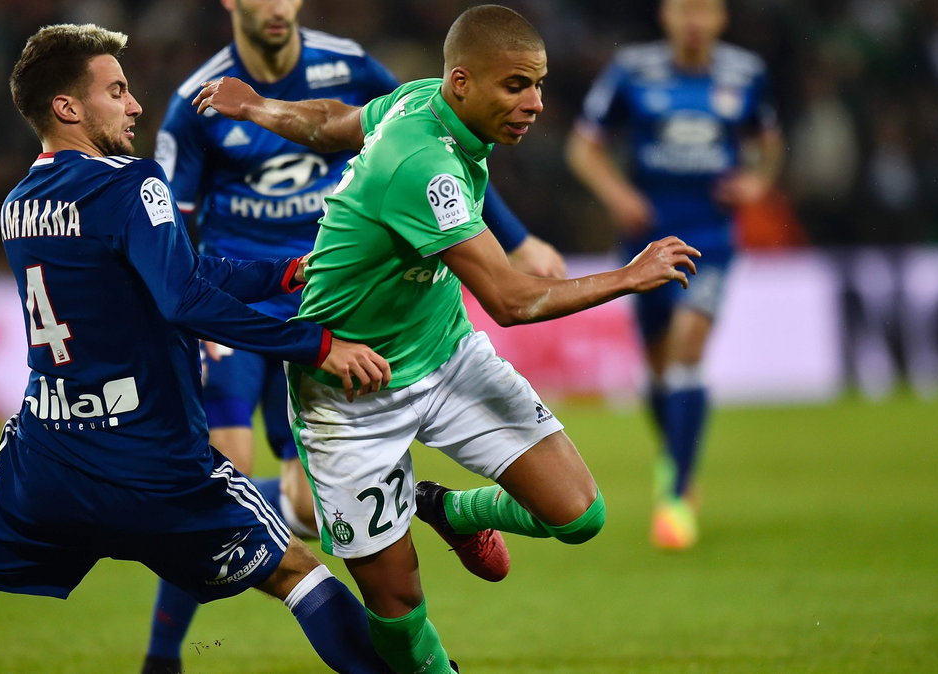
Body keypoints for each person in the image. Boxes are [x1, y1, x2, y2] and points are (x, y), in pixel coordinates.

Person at [192, 5, 699, 672]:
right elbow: (511, 299)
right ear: (462, 81)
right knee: (398, 610)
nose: (536, 103)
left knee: (579, 514)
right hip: (349, 388)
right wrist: (629, 277)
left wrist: (259, 109)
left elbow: (334, 123)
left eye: (539, 84)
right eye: (516, 85)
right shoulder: (422, 165)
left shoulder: (418, 101)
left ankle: (446, 509)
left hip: (446, 354)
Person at [0, 24, 394, 673]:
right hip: (152, 466)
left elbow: (175, 272)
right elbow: (181, 297)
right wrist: (316, 344)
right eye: (117, 91)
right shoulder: (130, 183)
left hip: (44, 467)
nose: (133, 106)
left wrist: (282, 272)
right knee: (296, 572)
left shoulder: (19, 204)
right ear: (68, 107)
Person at [144, 1, 565, 670]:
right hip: (243, 300)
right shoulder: (195, 100)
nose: (277, 6)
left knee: (304, 506)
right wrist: (195, 316)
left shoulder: (345, 65)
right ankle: (162, 656)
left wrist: (517, 241)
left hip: (334, 296)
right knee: (221, 460)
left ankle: (365, 518)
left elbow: (445, 145)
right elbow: (171, 224)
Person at [565, 0, 783, 549]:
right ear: (664, 16)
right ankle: (677, 458)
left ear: (720, 19)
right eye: (684, 9)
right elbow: (583, 146)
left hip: (710, 239)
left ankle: (677, 496)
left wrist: (757, 184)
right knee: (659, 370)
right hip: (645, 243)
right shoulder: (633, 71)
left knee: (689, 349)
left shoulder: (745, 74)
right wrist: (619, 195)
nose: (693, 20)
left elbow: (769, 144)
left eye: (704, 10)